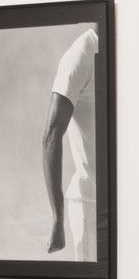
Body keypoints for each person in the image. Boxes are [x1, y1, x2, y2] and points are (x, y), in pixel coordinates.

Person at [42, 27, 98, 259]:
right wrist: (58, 218)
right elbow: (52, 135)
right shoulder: (80, 55)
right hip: (90, 205)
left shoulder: (129, 50)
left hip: (125, 204)